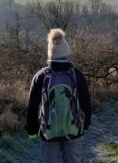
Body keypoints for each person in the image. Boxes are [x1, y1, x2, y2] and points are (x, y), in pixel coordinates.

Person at [25, 28, 91, 163]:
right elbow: (86, 102)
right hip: (73, 131)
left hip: (48, 133)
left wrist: (32, 130)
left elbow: (32, 106)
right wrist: (86, 123)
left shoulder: (40, 76)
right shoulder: (76, 75)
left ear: (50, 54)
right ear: (67, 53)